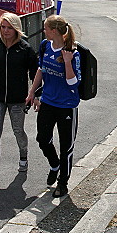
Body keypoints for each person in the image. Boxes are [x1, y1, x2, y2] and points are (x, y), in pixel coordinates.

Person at [0, 13, 38, 187]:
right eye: (3, 27)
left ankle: (23, 155)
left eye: (9, 27)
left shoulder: (25, 49)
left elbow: (34, 73)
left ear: (16, 28)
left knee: (18, 130)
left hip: (17, 98)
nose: (5, 31)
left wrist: (34, 94)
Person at [26, 15, 81, 198]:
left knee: (66, 146)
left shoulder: (72, 52)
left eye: (46, 28)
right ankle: (54, 164)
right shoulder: (44, 46)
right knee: (42, 138)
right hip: (48, 102)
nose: (44, 31)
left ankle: (62, 183)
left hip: (67, 105)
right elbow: (41, 69)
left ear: (54, 31)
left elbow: (73, 83)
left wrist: (66, 61)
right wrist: (32, 92)